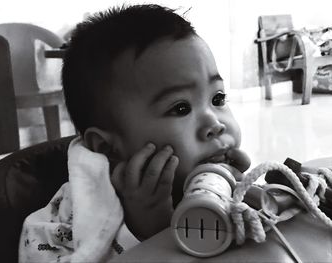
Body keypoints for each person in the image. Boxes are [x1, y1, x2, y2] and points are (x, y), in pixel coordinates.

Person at [18, 4, 250, 262]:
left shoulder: (215, 181)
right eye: (181, 108)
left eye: (218, 98)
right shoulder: (74, 210)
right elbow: (39, 254)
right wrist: (143, 232)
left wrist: (244, 193)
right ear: (107, 147)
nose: (215, 124)